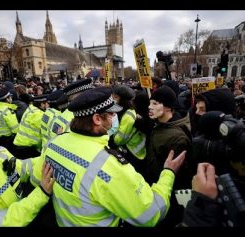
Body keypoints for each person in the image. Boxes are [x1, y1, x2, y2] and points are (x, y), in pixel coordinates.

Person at [37, 86, 186, 226]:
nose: (115, 116)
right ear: (97, 119)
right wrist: (168, 173)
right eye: (111, 113)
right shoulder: (108, 167)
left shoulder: (54, 142)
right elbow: (151, 214)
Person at [146, 85, 192, 227]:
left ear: (168, 107)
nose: (150, 107)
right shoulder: (159, 124)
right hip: (156, 186)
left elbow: (179, 176)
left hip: (168, 194)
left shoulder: (177, 138)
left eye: (155, 103)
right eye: (150, 103)